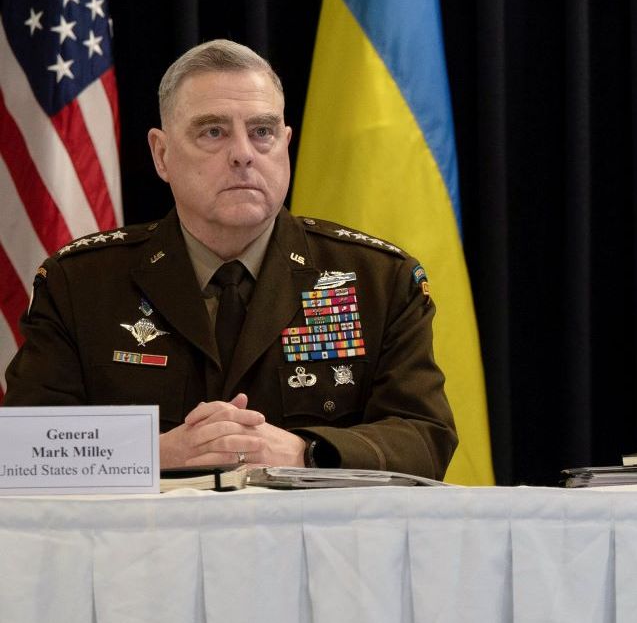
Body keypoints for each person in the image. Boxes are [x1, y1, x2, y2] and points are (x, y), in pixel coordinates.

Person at [4, 39, 457, 479]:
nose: (243, 154)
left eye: (262, 132)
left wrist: (308, 452)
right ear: (162, 155)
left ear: (285, 143)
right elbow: (22, 447)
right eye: (213, 132)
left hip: (311, 532)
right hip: (147, 532)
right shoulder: (81, 284)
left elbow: (425, 437)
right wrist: (154, 453)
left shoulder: (378, 280)